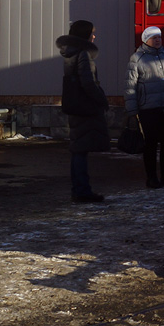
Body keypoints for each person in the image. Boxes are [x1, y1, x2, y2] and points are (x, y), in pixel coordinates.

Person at [56, 20, 110, 203]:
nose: (94, 36)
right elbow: (88, 82)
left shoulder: (69, 53)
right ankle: (82, 190)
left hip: (74, 104)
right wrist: (102, 100)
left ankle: (79, 189)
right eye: (91, 33)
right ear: (84, 34)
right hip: (85, 106)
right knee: (80, 150)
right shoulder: (83, 54)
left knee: (78, 148)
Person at [125, 26, 164, 188]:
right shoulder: (137, 58)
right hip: (148, 110)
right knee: (150, 144)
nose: (157, 40)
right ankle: (151, 178)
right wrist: (132, 110)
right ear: (145, 40)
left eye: (159, 37)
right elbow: (130, 85)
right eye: (153, 38)